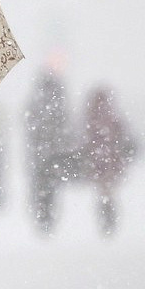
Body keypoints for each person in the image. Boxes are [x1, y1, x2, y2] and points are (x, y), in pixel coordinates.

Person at [80, 86, 137, 237]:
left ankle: (106, 222)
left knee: (104, 193)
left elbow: (86, 140)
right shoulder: (112, 117)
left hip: (98, 161)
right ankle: (109, 222)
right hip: (110, 160)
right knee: (108, 193)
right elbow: (123, 136)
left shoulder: (91, 117)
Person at [26, 68, 72, 234]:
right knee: (49, 185)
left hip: (41, 154)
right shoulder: (55, 103)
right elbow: (64, 124)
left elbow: (29, 123)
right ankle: (45, 216)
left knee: (42, 185)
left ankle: (43, 215)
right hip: (50, 153)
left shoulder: (37, 103)